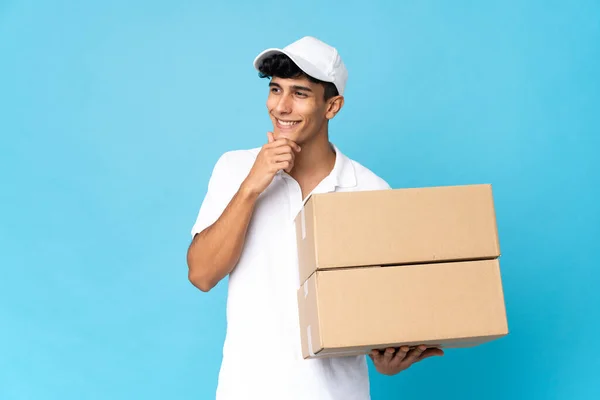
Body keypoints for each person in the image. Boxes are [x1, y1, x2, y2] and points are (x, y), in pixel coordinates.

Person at [187, 36, 443, 400]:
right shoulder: (234, 169)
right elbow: (201, 275)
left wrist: (386, 355)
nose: (282, 106)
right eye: (276, 90)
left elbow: (381, 309)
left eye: (300, 94)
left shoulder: (371, 191)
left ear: (332, 106)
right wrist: (251, 187)